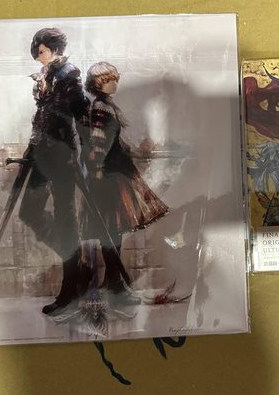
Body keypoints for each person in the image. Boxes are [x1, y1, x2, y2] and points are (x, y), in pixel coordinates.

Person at [19, 27, 89, 314]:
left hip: (61, 156)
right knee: (29, 211)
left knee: (65, 218)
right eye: (37, 52)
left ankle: (70, 288)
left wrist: (87, 153)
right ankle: (78, 264)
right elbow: (41, 116)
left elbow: (80, 114)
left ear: (55, 49)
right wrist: (32, 146)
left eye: (42, 52)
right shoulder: (46, 75)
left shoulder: (69, 74)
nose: (38, 57)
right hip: (41, 153)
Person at [82, 61, 168, 292]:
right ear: (98, 83)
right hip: (108, 174)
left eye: (115, 79)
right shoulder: (101, 107)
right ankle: (114, 282)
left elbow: (112, 139)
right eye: (109, 80)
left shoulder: (106, 105)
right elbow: (99, 141)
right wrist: (97, 168)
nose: (115, 84)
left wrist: (130, 151)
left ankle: (114, 281)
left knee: (113, 228)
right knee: (110, 229)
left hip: (115, 171)